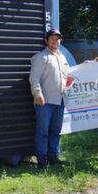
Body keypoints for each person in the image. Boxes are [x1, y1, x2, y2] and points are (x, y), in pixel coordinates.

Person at [29, 28, 69, 168]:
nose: (55, 41)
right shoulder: (41, 57)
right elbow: (34, 78)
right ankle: (42, 160)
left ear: (60, 41)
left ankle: (53, 157)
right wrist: (37, 93)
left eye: (57, 39)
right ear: (46, 41)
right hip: (44, 102)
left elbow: (67, 77)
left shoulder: (63, 57)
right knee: (43, 131)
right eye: (52, 38)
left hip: (60, 101)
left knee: (56, 131)